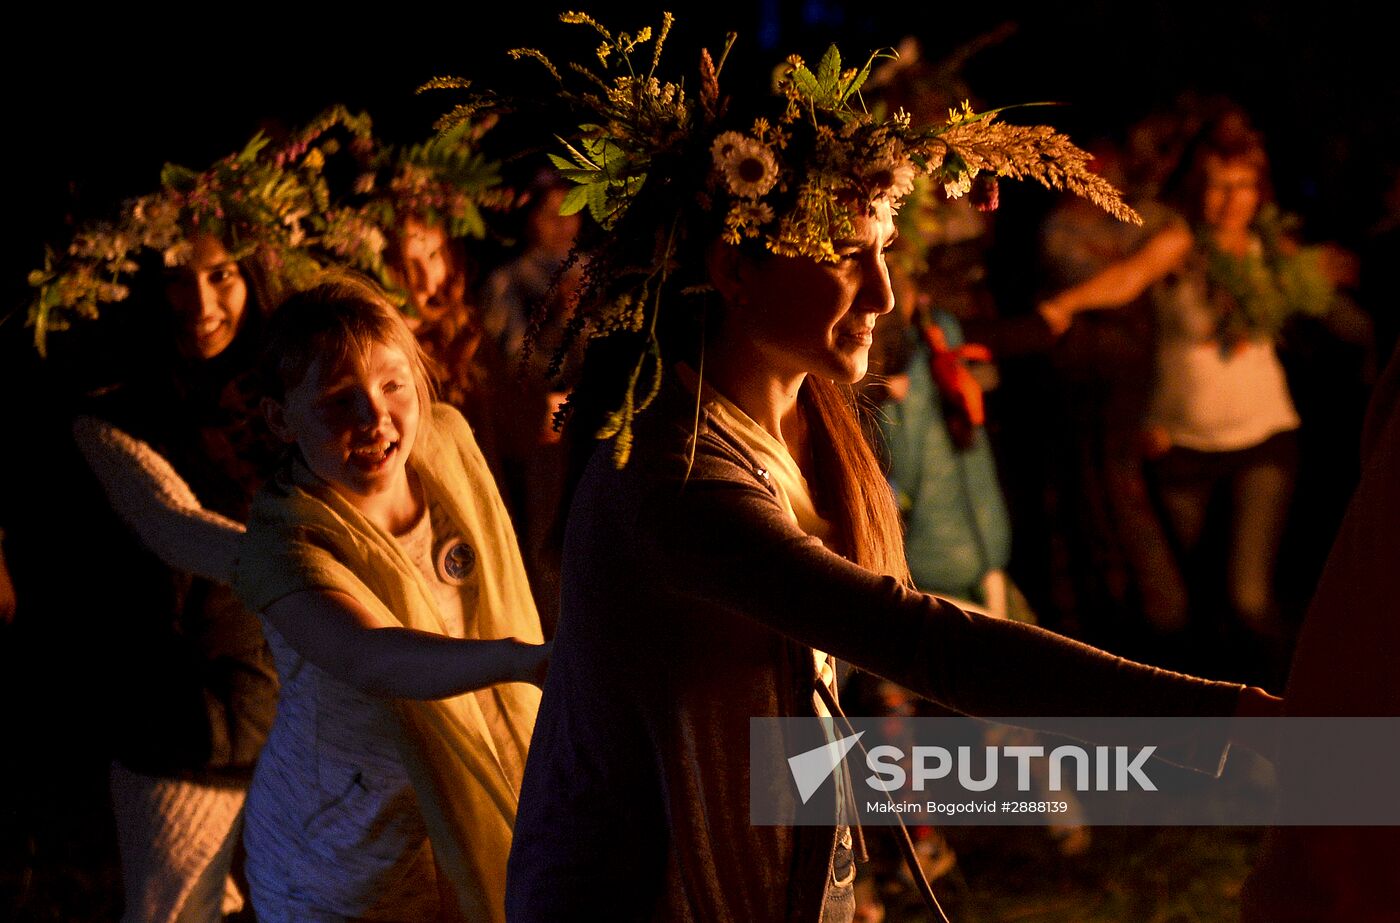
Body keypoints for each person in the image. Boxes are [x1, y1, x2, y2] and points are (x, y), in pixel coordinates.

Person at [496, 18, 1279, 922]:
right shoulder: (675, 480)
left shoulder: (809, 420)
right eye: (844, 257)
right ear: (734, 268)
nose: (884, 294)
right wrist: (1233, 720)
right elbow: (930, 641)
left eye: (883, 250)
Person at [230, 273, 548, 922]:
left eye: (393, 385)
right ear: (279, 418)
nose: (375, 417)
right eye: (338, 400)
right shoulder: (284, 538)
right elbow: (371, 655)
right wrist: (522, 660)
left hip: (452, 823)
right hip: (336, 860)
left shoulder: (447, 443)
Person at [1038, 111, 1344, 681]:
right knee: (1193, 606)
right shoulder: (1178, 242)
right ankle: (1218, 723)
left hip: (1265, 439)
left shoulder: (1270, 248)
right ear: (1197, 186)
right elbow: (1125, 280)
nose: (1232, 199)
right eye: (1219, 185)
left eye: (1244, 185)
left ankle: (1295, 710)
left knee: (1248, 599)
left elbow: (1323, 292)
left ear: (1261, 189)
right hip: (1181, 446)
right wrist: (1064, 307)